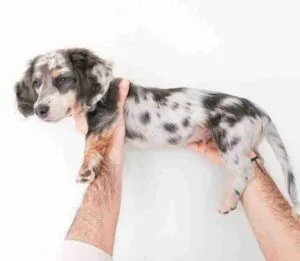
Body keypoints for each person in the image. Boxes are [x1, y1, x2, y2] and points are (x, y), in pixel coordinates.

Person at [57, 80, 300, 261]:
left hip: (227, 113)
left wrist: (103, 148)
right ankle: (248, 176)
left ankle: (245, 178)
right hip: (224, 114)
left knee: (254, 163)